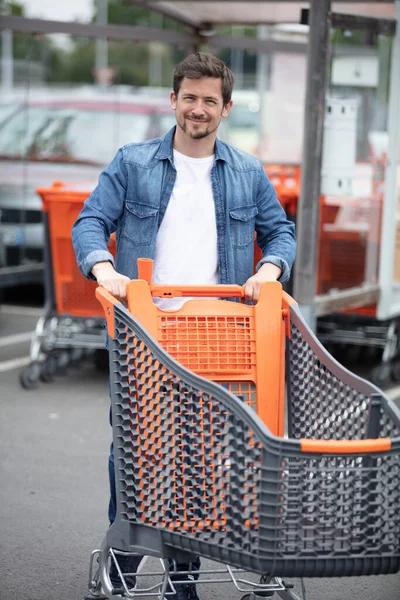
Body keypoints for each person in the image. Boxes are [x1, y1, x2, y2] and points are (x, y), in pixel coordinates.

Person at [73, 52, 296, 600]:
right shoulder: (132, 163)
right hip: (143, 334)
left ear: (226, 108)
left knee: (198, 459)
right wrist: (108, 271)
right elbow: (91, 222)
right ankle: (121, 574)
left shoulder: (246, 171)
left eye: (209, 101)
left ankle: (184, 582)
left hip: (214, 338)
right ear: (173, 100)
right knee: (134, 455)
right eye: (189, 98)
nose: (198, 109)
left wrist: (267, 270)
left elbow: (281, 233)